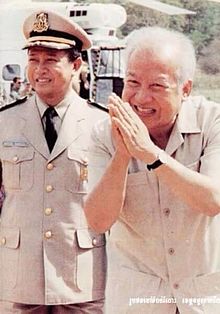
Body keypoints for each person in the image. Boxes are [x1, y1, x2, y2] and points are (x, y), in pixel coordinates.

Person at [84, 26, 220, 314]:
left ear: (185, 89)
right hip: (138, 301)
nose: (140, 98)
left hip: (203, 297)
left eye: (157, 86)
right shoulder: (102, 134)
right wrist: (122, 154)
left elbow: (213, 200)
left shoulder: (212, 122)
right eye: (132, 82)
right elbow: (98, 220)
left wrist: (150, 155)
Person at [0, 10, 107, 314]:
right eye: (33, 60)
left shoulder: (103, 125)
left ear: (76, 65)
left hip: (82, 280)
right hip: (17, 279)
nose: (39, 69)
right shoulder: (4, 122)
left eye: (50, 60)